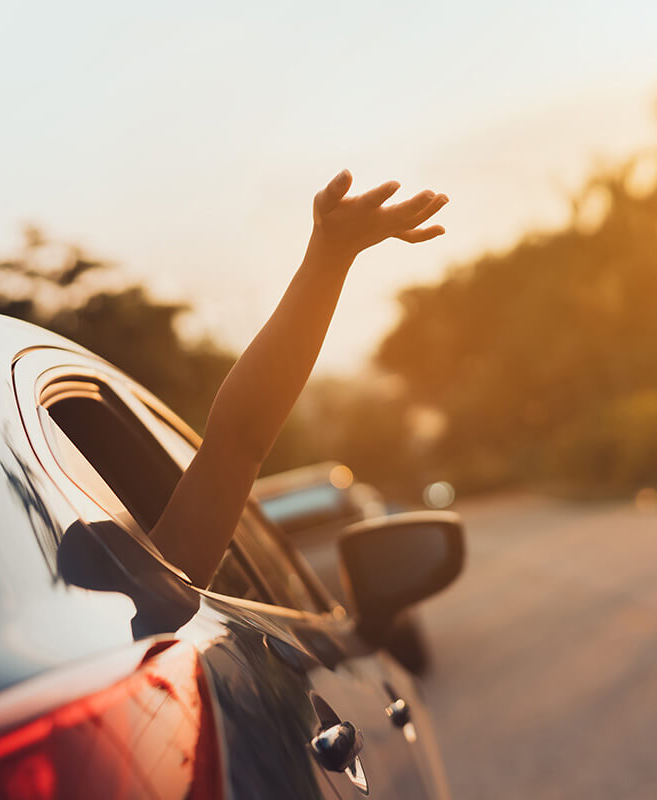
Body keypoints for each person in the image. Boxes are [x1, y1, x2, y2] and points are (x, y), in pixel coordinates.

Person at [147, 170, 448, 586]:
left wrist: (332, 256)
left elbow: (238, 443)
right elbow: (237, 443)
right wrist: (331, 256)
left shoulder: (147, 594)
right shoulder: (147, 596)